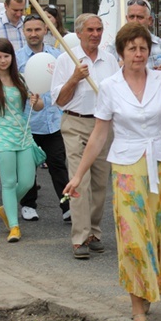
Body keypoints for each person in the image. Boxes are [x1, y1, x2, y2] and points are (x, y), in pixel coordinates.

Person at [63, 22, 161, 321]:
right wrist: (77, 175)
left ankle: (149, 288)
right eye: (132, 49)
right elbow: (100, 136)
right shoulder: (111, 87)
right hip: (128, 168)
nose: (138, 54)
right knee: (133, 238)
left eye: (143, 48)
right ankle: (137, 307)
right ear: (121, 53)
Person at [51, 13, 118, 258]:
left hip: (102, 125)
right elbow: (58, 100)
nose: (95, 34)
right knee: (80, 182)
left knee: (100, 183)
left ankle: (94, 232)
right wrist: (75, 79)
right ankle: (79, 237)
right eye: (90, 30)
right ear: (79, 33)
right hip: (75, 122)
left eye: (99, 29)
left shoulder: (109, 60)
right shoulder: (66, 60)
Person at [0, 38, 42, 243]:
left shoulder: (21, 80)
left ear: (12, 57)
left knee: (27, 180)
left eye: (6, 56)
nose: (3, 60)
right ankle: (14, 226)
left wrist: (37, 100)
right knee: (8, 182)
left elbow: (38, 106)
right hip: (1, 136)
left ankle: (7, 209)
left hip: (23, 135)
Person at [16, 14, 70, 222]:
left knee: (58, 164)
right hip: (29, 122)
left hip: (53, 122)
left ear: (45, 30)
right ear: (24, 32)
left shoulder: (57, 56)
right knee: (28, 167)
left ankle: (67, 206)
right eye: (29, 30)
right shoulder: (18, 58)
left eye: (37, 30)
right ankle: (28, 205)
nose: (33, 34)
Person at [124, 0, 161, 70]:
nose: (135, 21)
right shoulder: (115, 46)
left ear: (150, 20)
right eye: (132, 17)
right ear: (127, 19)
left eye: (140, 17)